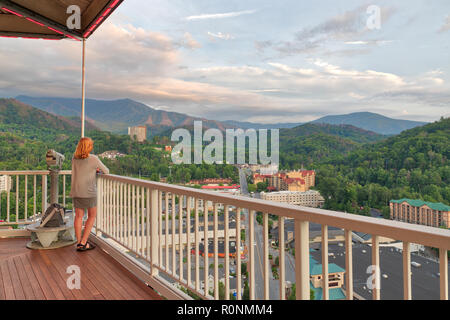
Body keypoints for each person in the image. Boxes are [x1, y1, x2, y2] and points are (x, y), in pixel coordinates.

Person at [70, 137, 109, 251]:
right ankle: (84, 242)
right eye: (90, 145)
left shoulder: (74, 158)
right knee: (91, 216)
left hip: (77, 191)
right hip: (89, 192)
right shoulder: (94, 159)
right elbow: (106, 171)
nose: (92, 147)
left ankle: (78, 242)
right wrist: (96, 170)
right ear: (88, 147)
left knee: (78, 217)